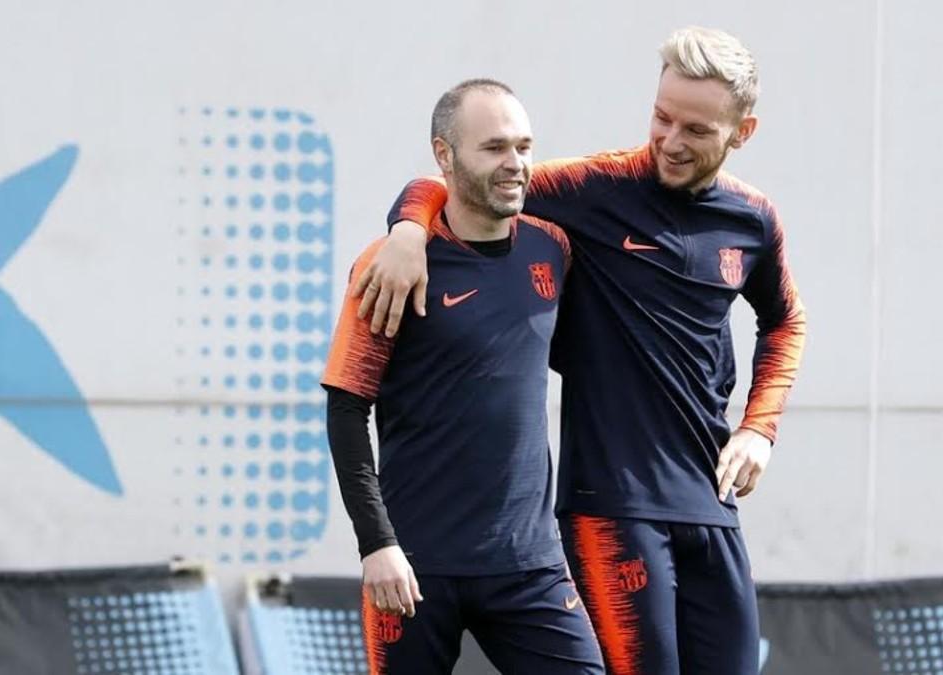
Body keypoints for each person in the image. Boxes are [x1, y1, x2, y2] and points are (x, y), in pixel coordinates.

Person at [356, 27, 807, 674]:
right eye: (662, 117)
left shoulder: (752, 219)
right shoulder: (594, 187)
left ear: (743, 131)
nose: (671, 142)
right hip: (609, 505)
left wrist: (760, 427)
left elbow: (786, 320)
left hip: (712, 501)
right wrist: (406, 226)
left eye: (697, 131)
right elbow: (462, 179)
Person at [322, 78, 603, 674]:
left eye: (524, 146)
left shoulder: (551, 246)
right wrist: (376, 544)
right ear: (444, 155)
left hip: (529, 562)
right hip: (413, 564)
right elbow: (347, 410)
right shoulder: (388, 265)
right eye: (495, 147)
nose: (516, 164)